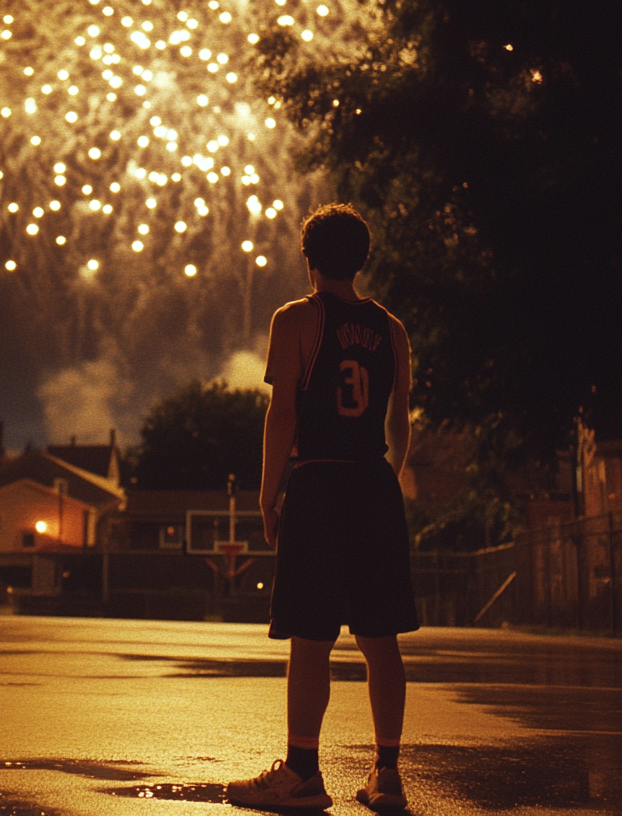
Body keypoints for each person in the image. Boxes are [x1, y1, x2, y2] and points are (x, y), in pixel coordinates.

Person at [227, 203, 419, 811]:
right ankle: (386, 774)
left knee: (310, 638)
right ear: (362, 259)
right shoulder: (392, 329)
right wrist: (387, 476)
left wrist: (268, 491)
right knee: (380, 638)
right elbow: (399, 419)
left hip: (318, 485)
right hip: (373, 484)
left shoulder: (297, 320)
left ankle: (305, 773)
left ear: (309, 258)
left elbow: (281, 412)